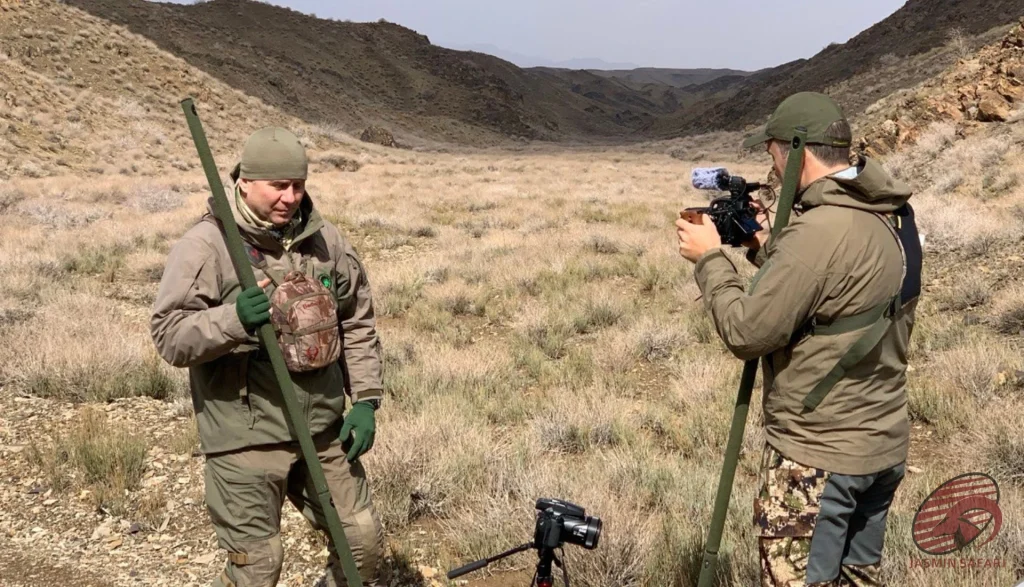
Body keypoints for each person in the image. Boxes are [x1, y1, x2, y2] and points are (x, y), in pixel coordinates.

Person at [676, 92, 922, 586]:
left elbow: (747, 332)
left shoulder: (818, 231)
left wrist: (710, 259)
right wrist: (763, 245)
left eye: (772, 155)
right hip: (880, 447)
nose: (771, 169)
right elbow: (833, 288)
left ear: (797, 152)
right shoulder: (892, 214)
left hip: (818, 458)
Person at [151, 127, 386, 587]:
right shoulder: (207, 246)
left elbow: (356, 321)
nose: (290, 197)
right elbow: (169, 335)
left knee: (362, 543)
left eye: (297, 185)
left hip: (322, 428)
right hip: (246, 434)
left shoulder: (326, 241)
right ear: (244, 182)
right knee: (257, 566)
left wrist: (365, 400)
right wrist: (233, 319)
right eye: (278, 186)